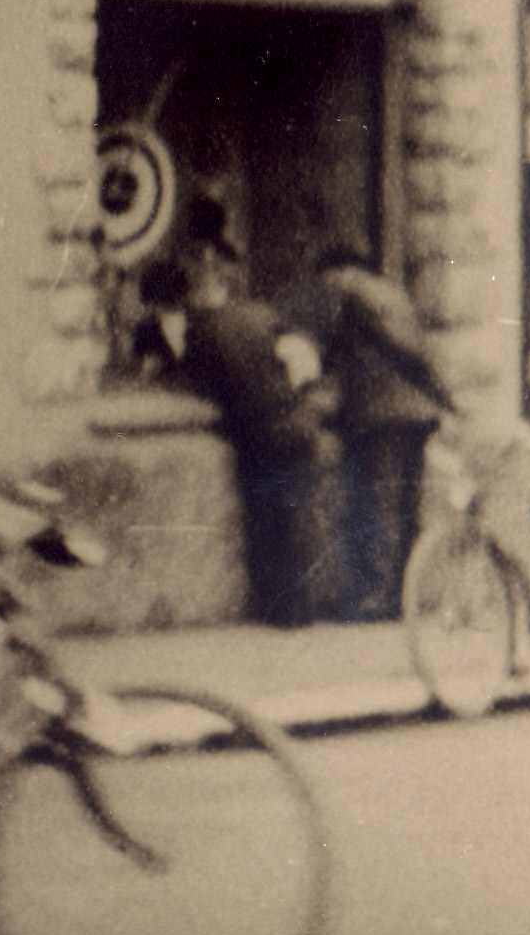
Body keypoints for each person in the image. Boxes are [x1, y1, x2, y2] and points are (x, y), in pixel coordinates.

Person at [140, 210, 342, 628]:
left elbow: (193, 383)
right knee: (295, 521)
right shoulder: (259, 314)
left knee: (267, 524)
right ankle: (300, 612)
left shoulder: (205, 333)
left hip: (259, 436)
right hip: (294, 421)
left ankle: (280, 613)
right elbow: (299, 356)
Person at [279, 239, 453, 621]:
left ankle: (375, 599)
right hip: (413, 414)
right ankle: (401, 598)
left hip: (381, 418)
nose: (323, 285)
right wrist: (443, 397)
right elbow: (414, 351)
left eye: (324, 276)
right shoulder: (391, 293)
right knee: (404, 508)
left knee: (377, 507)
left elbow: (390, 348)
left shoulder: (351, 292)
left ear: (337, 271)